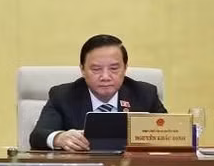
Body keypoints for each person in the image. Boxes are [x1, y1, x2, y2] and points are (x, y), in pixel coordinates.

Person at [29, 34, 166, 151]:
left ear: (125, 68)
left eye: (113, 68)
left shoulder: (144, 94)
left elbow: (168, 134)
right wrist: (59, 138)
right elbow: (38, 135)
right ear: (82, 69)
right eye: (96, 69)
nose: (105, 77)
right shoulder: (63, 95)